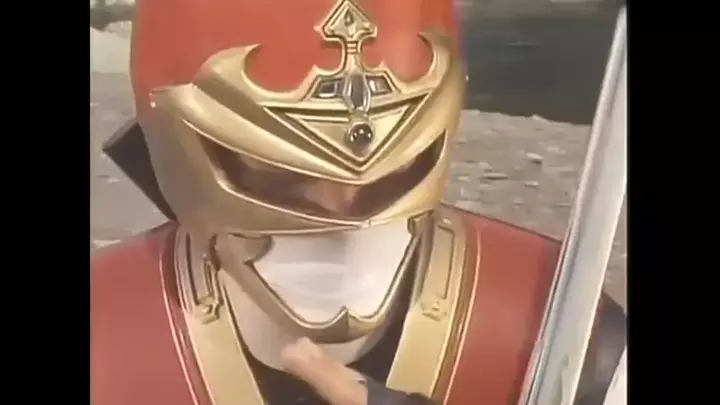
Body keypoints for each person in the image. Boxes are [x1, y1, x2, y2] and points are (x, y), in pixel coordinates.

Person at [90, 0, 626, 404]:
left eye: (393, 172)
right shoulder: (108, 338)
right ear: (178, 150)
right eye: (284, 177)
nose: (347, 222)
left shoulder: (558, 325)